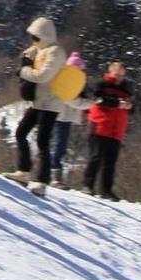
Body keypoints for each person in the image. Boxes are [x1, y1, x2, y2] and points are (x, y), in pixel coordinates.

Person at [8, 16, 64, 195]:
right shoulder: (40, 50)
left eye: (36, 38)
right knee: (21, 132)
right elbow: (29, 57)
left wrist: (24, 71)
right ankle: (24, 171)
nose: (34, 41)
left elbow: (43, 76)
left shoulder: (56, 52)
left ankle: (42, 181)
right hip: (38, 101)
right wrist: (27, 55)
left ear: (46, 36)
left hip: (51, 103)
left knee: (42, 142)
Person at [83, 60, 133, 201]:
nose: (119, 78)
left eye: (122, 75)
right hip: (99, 126)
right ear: (110, 72)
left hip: (116, 130)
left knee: (110, 162)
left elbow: (132, 107)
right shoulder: (101, 85)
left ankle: (106, 190)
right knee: (95, 157)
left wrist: (129, 105)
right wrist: (118, 103)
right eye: (117, 75)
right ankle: (88, 185)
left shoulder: (126, 89)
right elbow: (98, 100)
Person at [51, 50, 91, 187]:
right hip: (60, 116)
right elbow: (73, 101)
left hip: (64, 117)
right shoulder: (67, 83)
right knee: (59, 147)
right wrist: (92, 103)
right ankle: (54, 176)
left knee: (60, 147)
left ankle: (55, 175)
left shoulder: (70, 81)